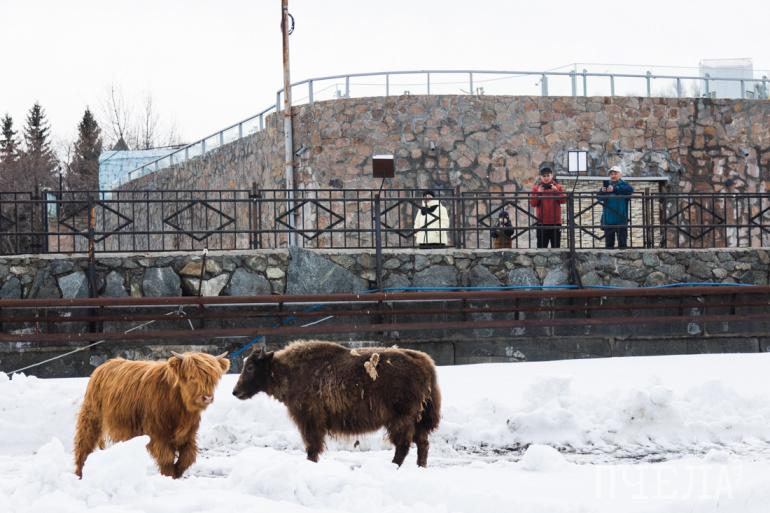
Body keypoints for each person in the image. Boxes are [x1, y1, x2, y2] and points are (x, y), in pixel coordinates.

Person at [529, 163, 566, 248]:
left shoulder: (558, 187)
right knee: (541, 248)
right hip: (541, 222)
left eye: (548, 175)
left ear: (552, 175)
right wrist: (538, 193)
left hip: (556, 223)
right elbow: (533, 204)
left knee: (556, 247)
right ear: (540, 177)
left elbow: (563, 201)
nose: (546, 178)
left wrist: (556, 191)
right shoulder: (536, 188)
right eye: (544, 176)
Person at [598, 165, 634, 249]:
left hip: (621, 219)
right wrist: (602, 191)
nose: (613, 176)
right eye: (611, 174)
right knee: (609, 245)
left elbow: (629, 190)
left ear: (620, 175)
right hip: (608, 219)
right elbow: (599, 198)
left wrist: (614, 189)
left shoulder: (624, 185)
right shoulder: (607, 186)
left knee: (622, 245)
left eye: (615, 173)